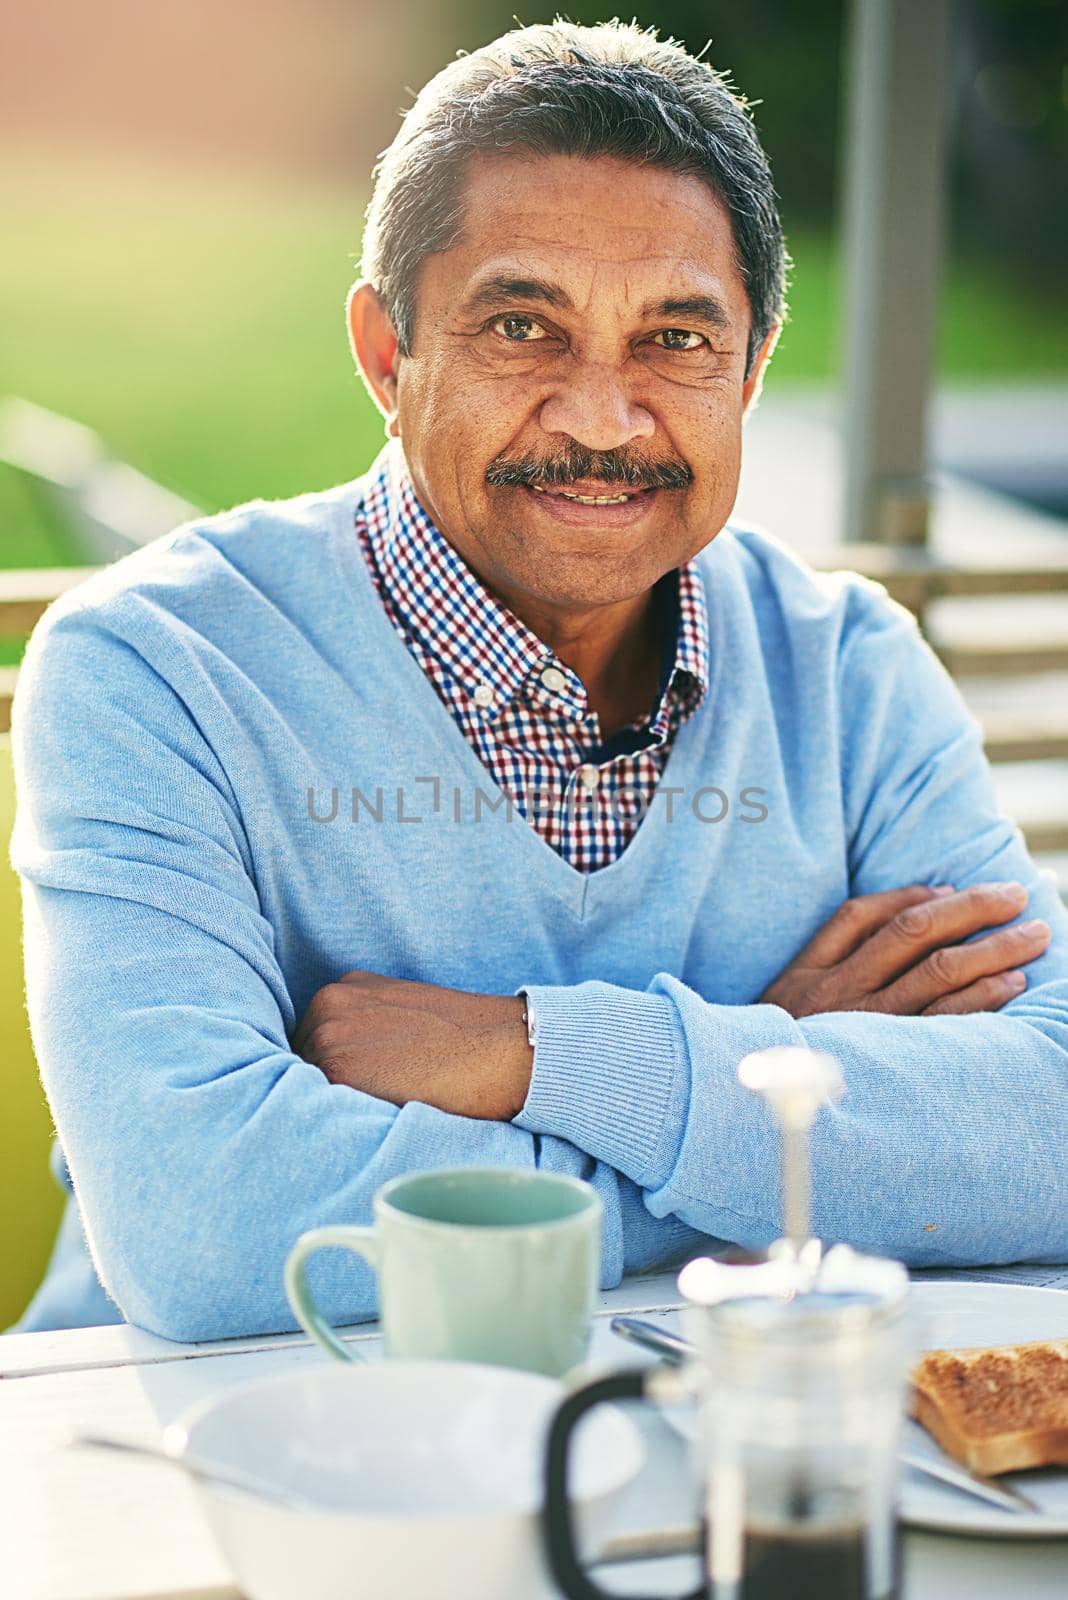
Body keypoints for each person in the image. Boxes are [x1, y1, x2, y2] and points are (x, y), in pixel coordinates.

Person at [8, 20, 1066, 1340]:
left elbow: (1054, 1123)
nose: (604, 420)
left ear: (753, 364)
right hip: (199, 1459)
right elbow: (206, 1226)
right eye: (523, 327)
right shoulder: (154, 667)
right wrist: (770, 1087)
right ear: (388, 356)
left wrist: (537, 1054)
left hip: (699, 1450)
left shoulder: (847, 668)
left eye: (677, 338)